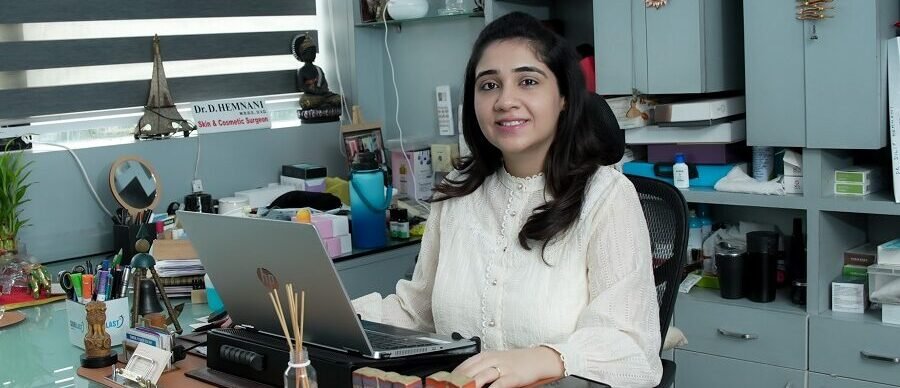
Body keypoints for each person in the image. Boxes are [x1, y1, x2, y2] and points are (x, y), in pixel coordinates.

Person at [352, 12, 661, 388]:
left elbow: (632, 347)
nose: (505, 100)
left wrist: (546, 359)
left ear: (563, 97)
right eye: (488, 85)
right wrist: (332, 315)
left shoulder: (607, 197)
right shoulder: (458, 190)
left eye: (528, 81)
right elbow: (418, 310)